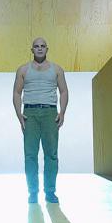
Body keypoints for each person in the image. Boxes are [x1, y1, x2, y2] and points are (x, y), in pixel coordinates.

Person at [13, 37, 68, 204]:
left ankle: (50, 192)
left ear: (47, 49)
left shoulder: (57, 69)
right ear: (32, 50)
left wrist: (62, 112)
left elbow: (64, 91)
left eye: (42, 46)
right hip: (30, 113)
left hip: (50, 113)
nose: (39, 48)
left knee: (51, 154)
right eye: (36, 46)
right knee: (30, 155)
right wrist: (19, 115)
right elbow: (16, 93)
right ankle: (33, 193)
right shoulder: (23, 69)